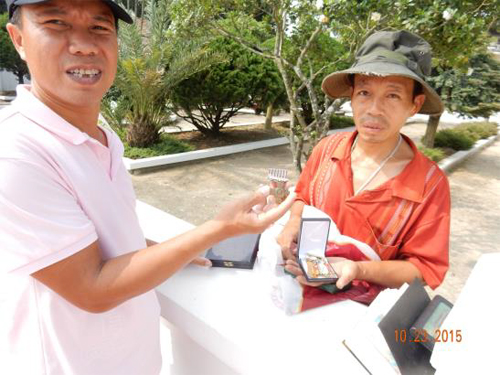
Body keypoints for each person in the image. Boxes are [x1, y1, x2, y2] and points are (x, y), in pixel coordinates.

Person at [0, 1, 295, 374]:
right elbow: (92, 288)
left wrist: (183, 249)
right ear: (19, 39)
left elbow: (114, 242)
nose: (84, 45)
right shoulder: (15, 151)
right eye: (56, 22)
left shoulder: (103, 136)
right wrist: (220, 229)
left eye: (99, 27)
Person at [279, 30, 450, 296]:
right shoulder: (327, 149)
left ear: (414, 105)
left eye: (392, 96)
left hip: (361, 310)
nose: (373, 109)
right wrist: (293, 223)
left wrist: (358, 269)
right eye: (365, 93)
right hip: (298, 286)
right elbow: (303, 196)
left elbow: (425, 268)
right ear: (352, 96)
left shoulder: (429, 184)